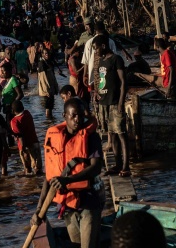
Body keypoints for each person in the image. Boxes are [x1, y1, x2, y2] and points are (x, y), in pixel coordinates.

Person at [37, 98, 105, 248]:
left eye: (80, 115)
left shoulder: (91, 137)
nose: (78, 119)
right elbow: (49, 177)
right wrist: (39, 209)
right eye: (73, 115)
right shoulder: (54, 139)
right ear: (64, 116)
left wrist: (68, 180)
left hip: (89, 200)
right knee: (76, 244)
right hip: (67, 204)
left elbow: (96, 168)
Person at [95, 40, 129, 177]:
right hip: (105, 103)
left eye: (96, 48)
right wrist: (97, 92)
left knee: (121, 134)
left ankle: (126, 167)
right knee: (112, 134)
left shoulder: (117, 59)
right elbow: (102, 80)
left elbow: (123, 81)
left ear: (103, 45)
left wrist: (121, 101)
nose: (95, 51)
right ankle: (117, 164)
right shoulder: (102, 61)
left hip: (115, 102)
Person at [10, 99, 42, 176]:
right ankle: (38, 182)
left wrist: (23, 149)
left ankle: (29, 185)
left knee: (28, 169)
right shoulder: (28, 113)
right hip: (35, 142)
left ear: (13, 111)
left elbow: (20, 136)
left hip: (24, 146)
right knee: (37, 167)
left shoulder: (14, 121)